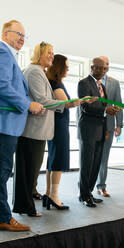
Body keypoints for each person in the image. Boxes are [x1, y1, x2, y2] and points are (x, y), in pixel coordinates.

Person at [0, 20, 44, 231]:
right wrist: (28, 104)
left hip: (2, 123)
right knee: (1, 171)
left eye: (24, 36)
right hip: (2, 123)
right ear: (6, 34)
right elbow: (3, 87)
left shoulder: (8, 55)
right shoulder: (1, 53)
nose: (22, 39)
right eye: (19, 34)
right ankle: (4, 218)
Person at [13, 42, 81, 216]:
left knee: (30, 171)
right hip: (34, 129)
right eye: (48, 53)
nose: (52, 55)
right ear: (39, 54)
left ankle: (25, 205)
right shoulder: (34, 71)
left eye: (52, 53)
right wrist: (66, 103)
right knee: (29, 171)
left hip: (37, 129)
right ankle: (26, 207)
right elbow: (42, 101)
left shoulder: (38, 72)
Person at [45, 54, 92, 210]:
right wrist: (84, 100)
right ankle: (54, 195)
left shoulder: (53, 82)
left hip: (56, 123)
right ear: (59, 67)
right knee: (58, 159)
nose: (68, 68)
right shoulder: (55, 84)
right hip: (59, 124)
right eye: (66, 65)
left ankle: (48, 193)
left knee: (52, 159)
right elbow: (67, 104)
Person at [77, 57, 120, 207]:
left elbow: (104, 108)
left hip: (101, 130)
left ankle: (89, 193)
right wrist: (105, 110)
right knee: (87, 164)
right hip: (88, 129)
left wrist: (111, 112)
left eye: (105, 69)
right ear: (92, 67)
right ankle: (83, 195)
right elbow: (86, 107)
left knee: (96, 164)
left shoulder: (102, 86)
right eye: (99, 68)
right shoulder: (84, 83)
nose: (102, 71)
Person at [96, 56, 123, 197]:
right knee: (90, 157)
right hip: (92, 125)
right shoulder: (89, 82)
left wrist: (119, 125)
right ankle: (86, 186)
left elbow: (118, 104)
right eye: (102, 64)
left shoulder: (114, 83)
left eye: (107, 64)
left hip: (109, 125)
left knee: (104, 157)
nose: (105, 66)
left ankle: (101, 186)